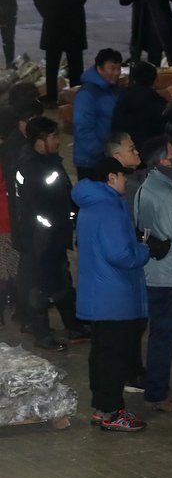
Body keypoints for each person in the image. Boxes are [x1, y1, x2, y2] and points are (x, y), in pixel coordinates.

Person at [73, 157, 150, 432]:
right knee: (114, 357)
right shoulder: (109, 209)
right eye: (122, 176)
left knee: (102, 355)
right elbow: (120, 254)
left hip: (99, 295)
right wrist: (144, 249)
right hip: (115, 296)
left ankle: (102, 408)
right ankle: (112, 412)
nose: (125, 181)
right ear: (110, 177)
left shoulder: (91, 206)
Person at [13, 116, 81, 350]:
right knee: (39, 285)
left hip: (52, 236)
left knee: (61, 278)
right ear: (40, 141)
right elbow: (36, 207)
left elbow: (63, 194)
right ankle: (42, 334)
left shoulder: (50, 161)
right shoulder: (31, 167)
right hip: (40, 239)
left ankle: (74, 325)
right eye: (53, 137)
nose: (59, 141)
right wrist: (53, 227)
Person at [133, 137, 172, 413]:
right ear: (162, 160)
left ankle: (157, 386)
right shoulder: (165, 195)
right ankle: (156, 392)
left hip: (154, 270)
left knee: (159, 333)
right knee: (164, 334)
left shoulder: (149, 185)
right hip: (167, 274)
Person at [33, 0, 89, 98]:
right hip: (54, 26)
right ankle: (51, 96)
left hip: (74, 25)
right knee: (52, 64)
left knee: (76, 64)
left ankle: (76, 94)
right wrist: (49, 15)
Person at [72, 49, 124, 179]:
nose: (116, 73)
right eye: (112, 69)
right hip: (90, 161)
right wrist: (101, 153)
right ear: (99, 69)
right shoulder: (87, 94)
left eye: (119, 68)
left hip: (109, 156)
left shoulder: (116, 89)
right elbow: (83, 128)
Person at [110, 62, 167, 151]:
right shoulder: (156, 101)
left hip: (124, 149)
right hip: (148, 152)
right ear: (154, 80)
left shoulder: (121, 96)